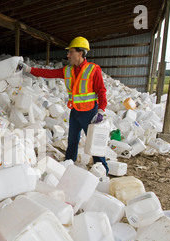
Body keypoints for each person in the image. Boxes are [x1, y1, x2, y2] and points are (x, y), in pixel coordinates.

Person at [20, 36, 109, 174]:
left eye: (71, 52)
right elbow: (48, 73)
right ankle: (69, 164)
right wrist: (28, 69)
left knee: (94, 142)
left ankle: (102, 169)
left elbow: (101, 90)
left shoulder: (93, 69)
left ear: (81, 53)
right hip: (75, 112)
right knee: (72, 140)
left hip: (90, 112)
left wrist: (101, 110)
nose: (68, 55)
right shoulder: (68, 70)